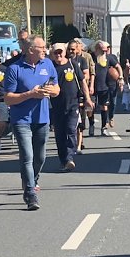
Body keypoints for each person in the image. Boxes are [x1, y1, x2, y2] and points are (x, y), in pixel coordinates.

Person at [4, 35, 59, 210]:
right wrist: (30, 94)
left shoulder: (47, 64)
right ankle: (30, 194)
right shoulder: (14, 69)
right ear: (30, 50)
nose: (45, 50)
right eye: (41, 48)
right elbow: (8, 98)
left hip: (42, 119)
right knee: (27, 156)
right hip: (21, 120)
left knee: (40, 157)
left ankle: (32, 179)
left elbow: (57, 88)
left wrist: (51, 90)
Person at [50, 43, 91, 171]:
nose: (58, 55)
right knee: (60, 134)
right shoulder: (50, 67)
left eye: (60, 52)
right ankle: (64, 159)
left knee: (70, 129)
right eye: (55, 53)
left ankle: (69, 157)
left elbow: (82, 81)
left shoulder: (72, 65)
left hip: (73, 104)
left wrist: (88, 98)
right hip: (56, 106)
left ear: (64, 52)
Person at [90, 40, 117, 136]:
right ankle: (91, 125)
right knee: (91, 107)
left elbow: (118, 66)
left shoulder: (108, 58)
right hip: (92, 86)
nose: (104, 52)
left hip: (104, 86)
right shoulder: (91, 57)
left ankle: (103, 127)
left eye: (106, 50)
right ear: (97, 49)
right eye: (102, 50)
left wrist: (120, 77)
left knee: (104, 107)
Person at [72, 38, 95, 150]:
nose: (75, 49)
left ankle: (90, 125)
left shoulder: (85, 58)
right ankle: (76, 141)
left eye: (77, 46)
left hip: (83, 88)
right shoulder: (67, 60)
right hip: (71, 92)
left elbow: (89, 73)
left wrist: (90, 85)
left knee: (86, 112)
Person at [103, 43, 124, 129]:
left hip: (113, 82)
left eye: (108, 48)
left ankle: (111, 116)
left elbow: (118, 67)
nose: (107, 49)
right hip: (103, 82)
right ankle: (105, 121)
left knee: (113, 102)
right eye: (105, 48)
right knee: (104, 103)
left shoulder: (112, 57)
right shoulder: (98, 57)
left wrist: (120, 79)